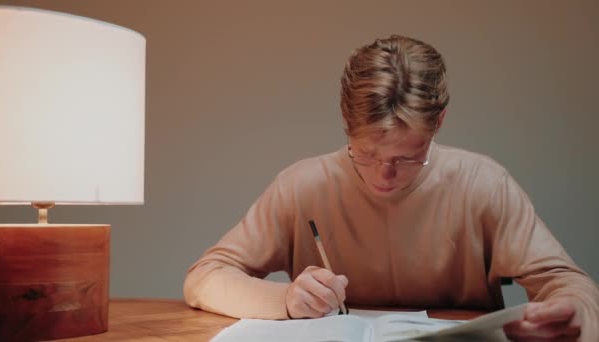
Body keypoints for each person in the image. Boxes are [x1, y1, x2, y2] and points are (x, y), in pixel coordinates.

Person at [184, 34, 598, 341]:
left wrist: (571, 313)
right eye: (364, 153)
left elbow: (569, 283)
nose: (384, 175)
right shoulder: (303, 185)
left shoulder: (483, 185)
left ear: (438, 124)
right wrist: (287, 300)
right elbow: (204, 277)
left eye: (407, 157)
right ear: (346, 126)